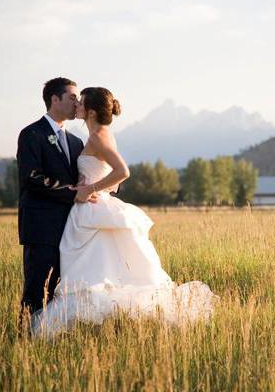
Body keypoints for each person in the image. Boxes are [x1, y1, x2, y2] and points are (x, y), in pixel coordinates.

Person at [30, 87, 218, 338]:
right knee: (101, 269)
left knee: (95, 271)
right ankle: (103, 327)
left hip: (92, 208)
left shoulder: (99, 137)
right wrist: (94, 186)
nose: (76, 106)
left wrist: (91, 189)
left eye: (81, 102)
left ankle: (102, 323)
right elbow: (114, 180)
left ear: (91, 111)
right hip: (88, 210)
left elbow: (122, 172)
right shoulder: (95, 136)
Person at [17, 77, 99, 333]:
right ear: (55, 99)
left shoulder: (75, 142)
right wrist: (72, 193)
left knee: (60, 288)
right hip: (41, 226)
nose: (78, 103)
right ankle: (25, 337)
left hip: (71, 229)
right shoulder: (32, 134)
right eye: (73, 97)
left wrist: (101, 186)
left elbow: (89, 175)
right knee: (36, 286)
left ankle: (49, 335)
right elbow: (31, 178)